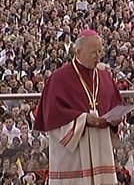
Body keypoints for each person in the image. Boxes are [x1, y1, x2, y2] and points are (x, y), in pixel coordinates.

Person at [34, 29, 123, 185]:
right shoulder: (59, 78)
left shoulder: (105, 75)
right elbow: (53, 115)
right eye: (92, 53)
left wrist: (115, 121)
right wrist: (84, 119)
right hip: (74, 153)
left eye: (100, 51)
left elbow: (115, 104)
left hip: (101, 146)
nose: (98, 57)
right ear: (78, 51)